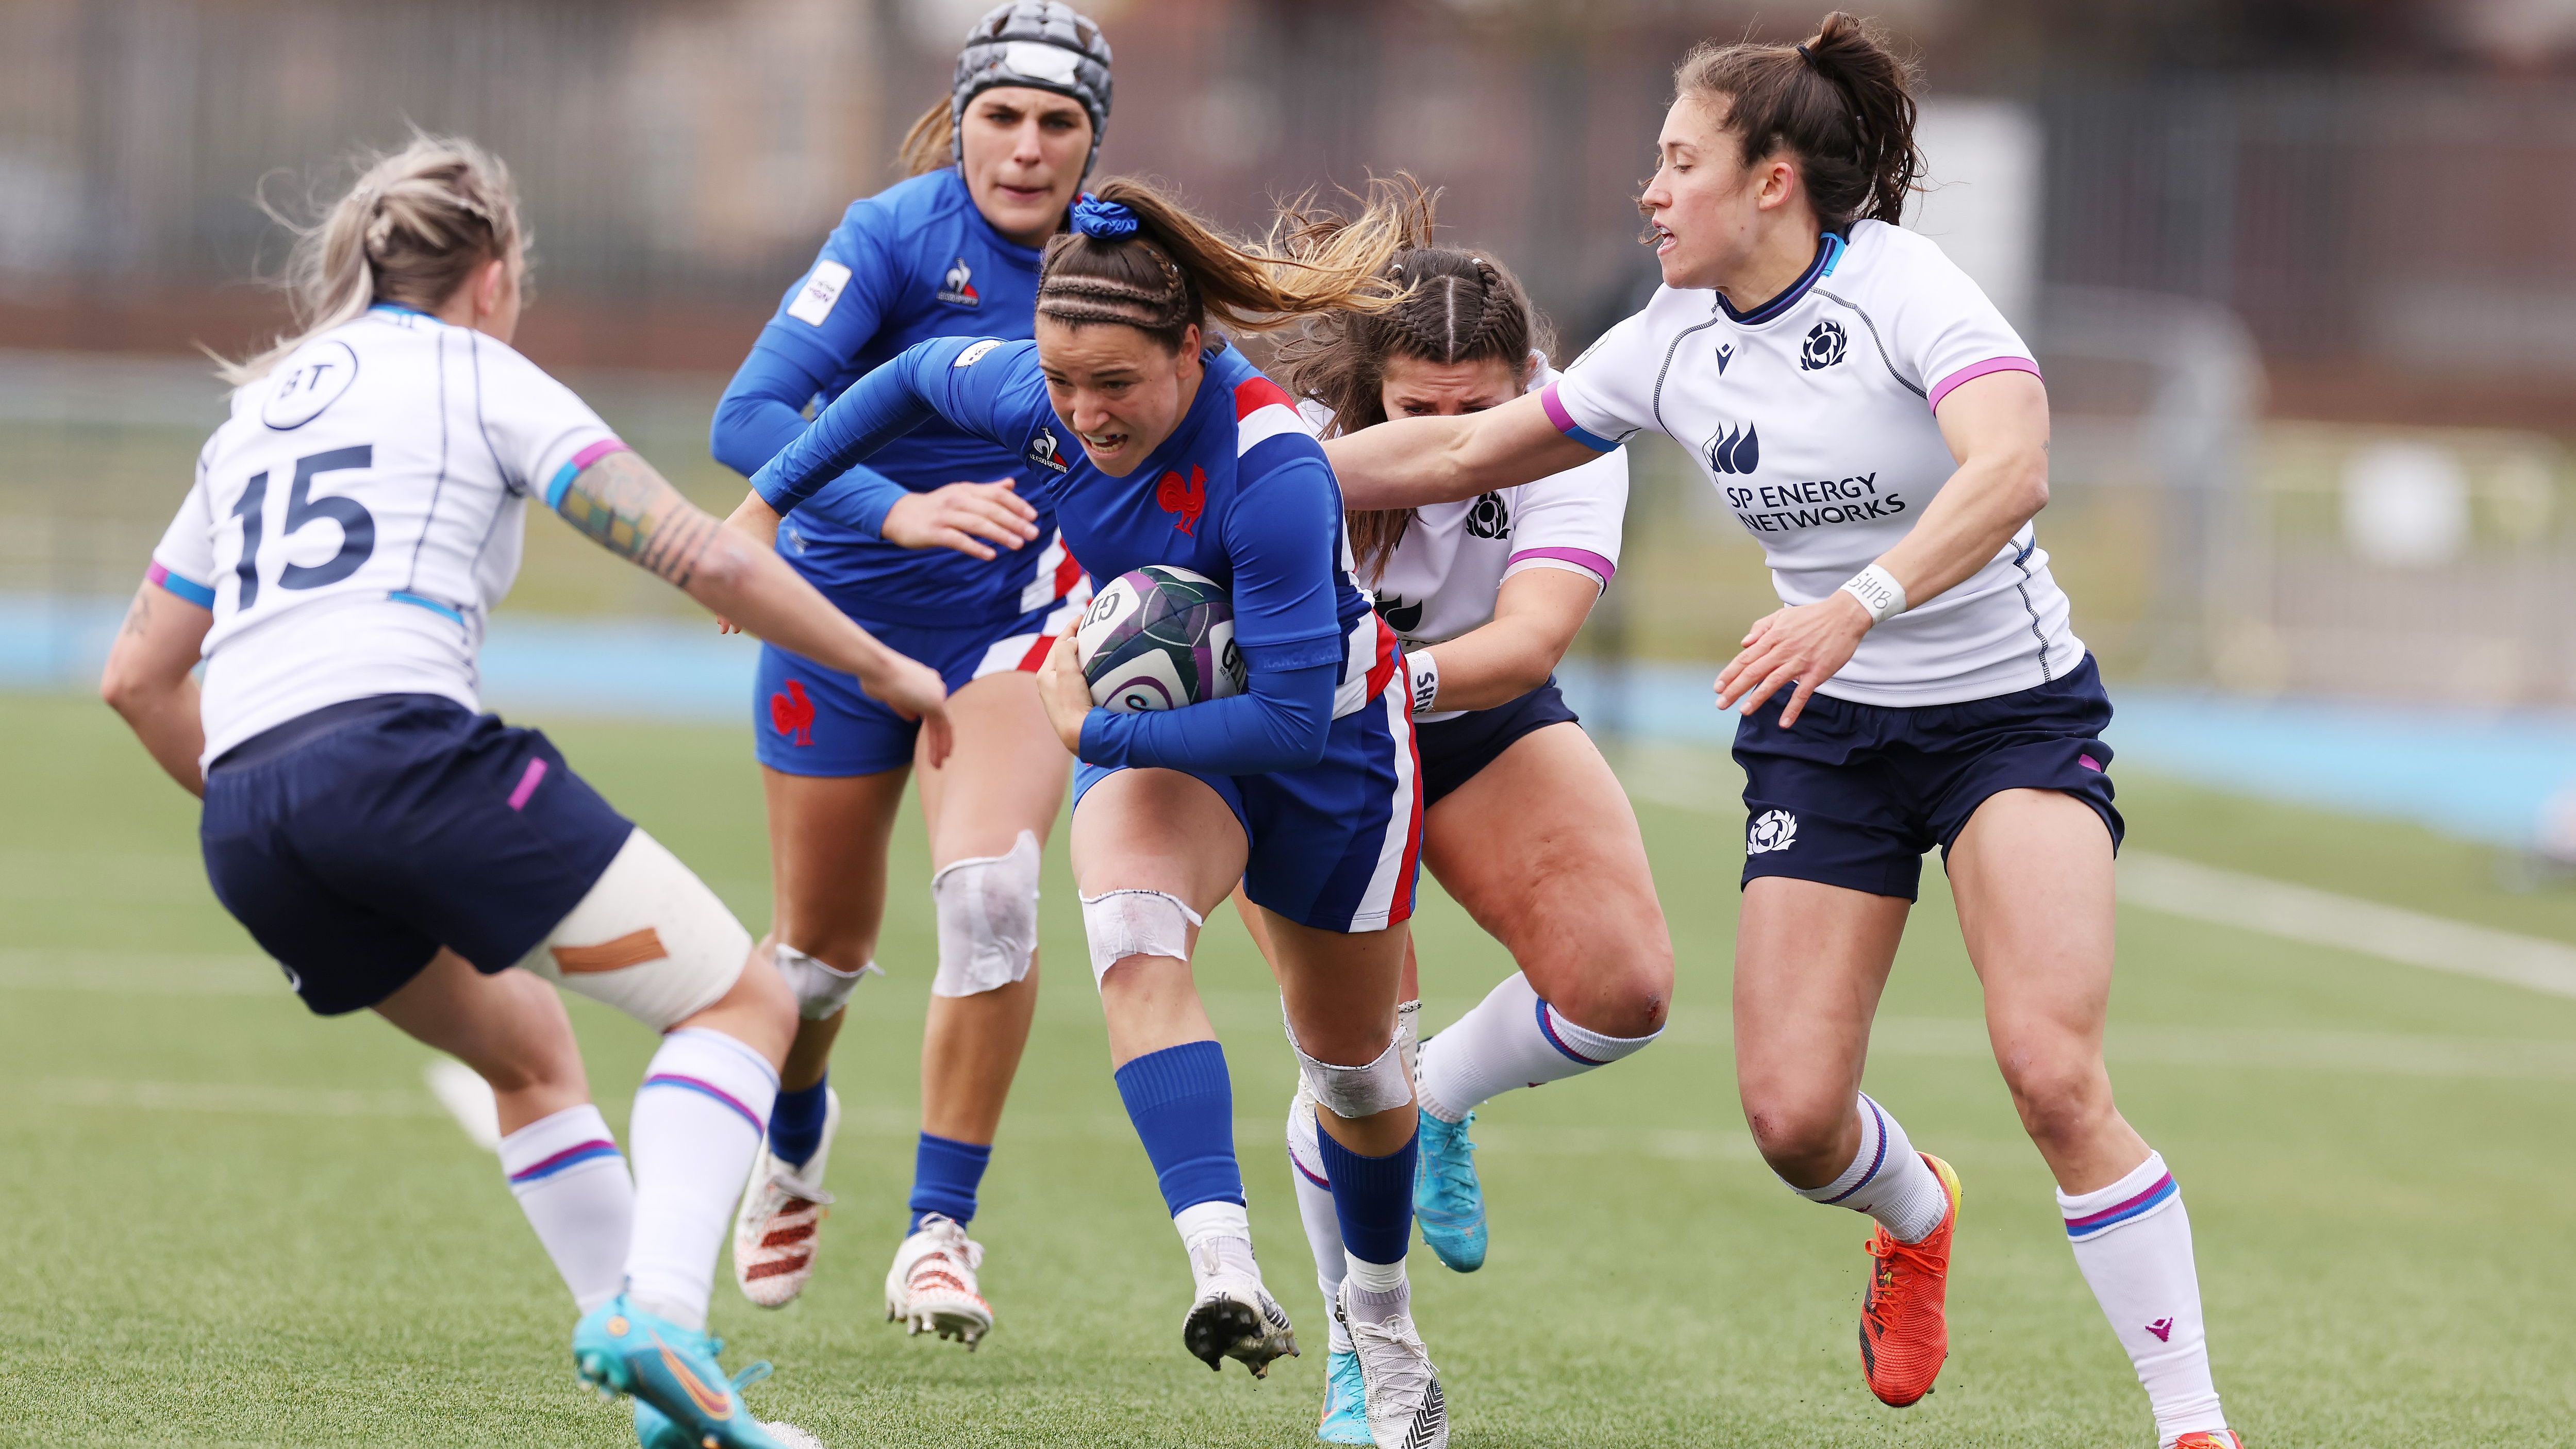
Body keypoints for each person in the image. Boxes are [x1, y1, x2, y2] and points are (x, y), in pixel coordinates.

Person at [1317, 15, 2241, 1449]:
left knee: (2050, 1072)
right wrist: (1224, 471)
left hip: (2005, 717)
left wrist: (1855, 603)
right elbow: (1451, 449)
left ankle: (2191, 1425)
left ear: (1769, 183)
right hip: (1823, 737)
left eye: (1677, 160)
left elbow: (2012, 466)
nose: (1649, 189)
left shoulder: (1901, 289)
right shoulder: (1669, 337)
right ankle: (1915, 1211)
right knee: (1791, 1119)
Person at [97, 136, 951, 1449]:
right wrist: (888, 665)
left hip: (252, 816)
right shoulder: (482, 373)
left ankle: (678, 1409)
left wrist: (290, 814)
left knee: (529, 1051)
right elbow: (695, 554)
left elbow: (138, 678)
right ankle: (663, 1312)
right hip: (400, 756)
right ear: (493, 275)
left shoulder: (256, 410)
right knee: (745, 996)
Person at [726, 178, 1452, 1449]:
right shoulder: (1040, 395)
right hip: (1163, 742)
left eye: (1114, 383)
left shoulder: (1273, 469)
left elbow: (1286, 722)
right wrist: (765, 502)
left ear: (1191, 351)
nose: (1080, 413)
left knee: (1355, 1071)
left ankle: (1380, 1317)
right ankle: (1224, 1265)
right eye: (1061, 381)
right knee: (1127, 926)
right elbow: (896, 390)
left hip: (1329, 751)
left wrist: (1091, 729)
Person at [706, 1, 1111, 1342]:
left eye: (1058, 122)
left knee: (993, 897)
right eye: (1003, 115)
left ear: (1091, 140)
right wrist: (896, 509)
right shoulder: (890, 235)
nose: (1027, 146)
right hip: (835, 626)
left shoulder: (1115, 259)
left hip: (1007, 633)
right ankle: (797, 1136)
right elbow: (749, 414)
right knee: (817, 961)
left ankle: (938, 1231)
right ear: (962, 119)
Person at [1259, 218, 1673, 1444]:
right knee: (1349, 1061)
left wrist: (1393, 684)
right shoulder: (1302, 440)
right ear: (1367, 382)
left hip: (1469, 709)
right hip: (1310, 740)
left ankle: (1441, 1099)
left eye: (1476, 411)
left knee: (1624, 988)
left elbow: (1530, 642)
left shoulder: (1572, 424)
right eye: (1419, 409)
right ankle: (1362, 1349)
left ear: (1524, 386)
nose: (1450, 444)